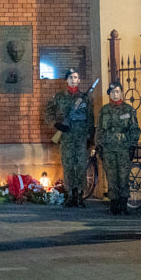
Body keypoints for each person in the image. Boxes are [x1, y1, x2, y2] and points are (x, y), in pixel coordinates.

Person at [45, 68, 94, 208]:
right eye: (71, 77)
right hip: (66, 137)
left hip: (81, 138)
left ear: (79, 80)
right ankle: (70, 195)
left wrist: (90, 137)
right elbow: (48, 113)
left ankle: (79, 194)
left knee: (81, 167)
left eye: (76, 77)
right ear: (66, 80)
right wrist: (56, 125)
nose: (73, 79)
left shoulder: (86, 97)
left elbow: (90, 118)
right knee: (68, 167)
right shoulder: (59, 97)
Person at [96, 81, 140, 215]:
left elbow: (134, 130)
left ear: (121, 92)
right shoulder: (104, 110)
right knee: (111, 177)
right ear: (109, 94)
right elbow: (99, 130)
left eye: (117, 91)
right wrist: (99, 146)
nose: (115, 94)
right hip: (108, 148)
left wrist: (131, 145)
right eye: (113, 92)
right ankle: (114, 204)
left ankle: (123, 204)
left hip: (123, 149)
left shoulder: (129, 110)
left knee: (123, 177)